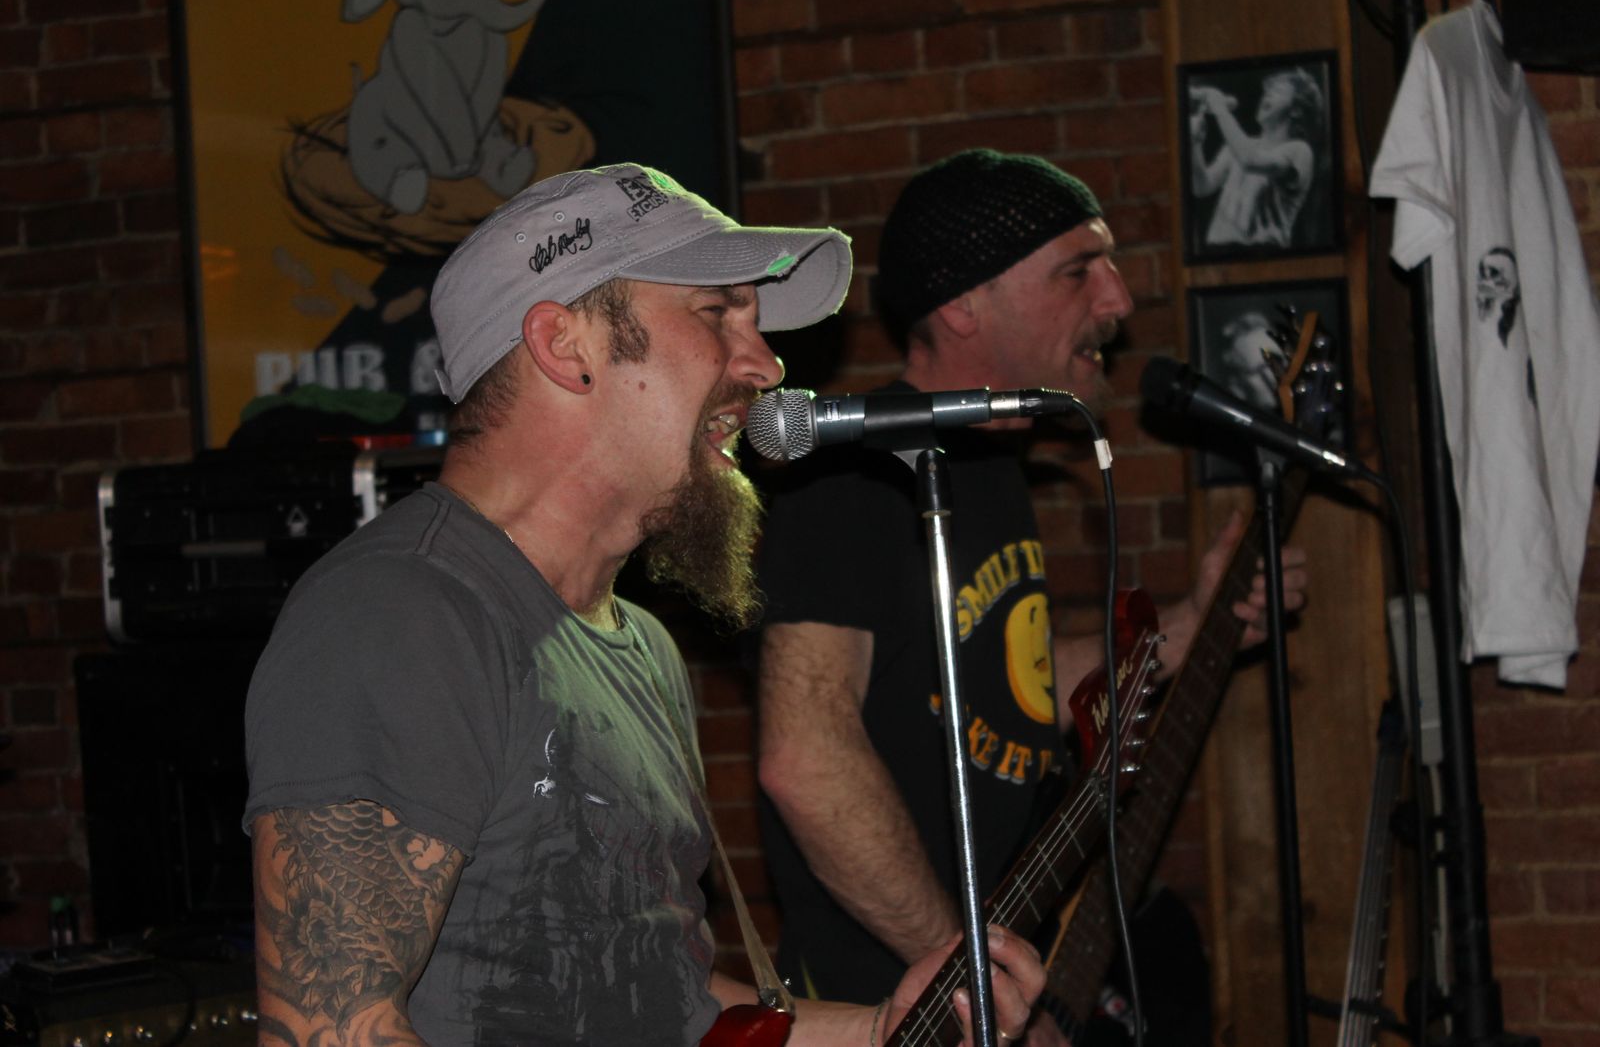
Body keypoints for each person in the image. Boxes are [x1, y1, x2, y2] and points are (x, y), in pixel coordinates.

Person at [243, 162, 1046, 1047]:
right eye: (716, 313)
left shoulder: (643, 648)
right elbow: (328, 1028)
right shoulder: (400, 615)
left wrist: (884, 1029)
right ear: (566, 344)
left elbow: (662, 994)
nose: (767, 365)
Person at [754, 150, 1308, 1044]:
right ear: (963, 304)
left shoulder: (990, 465)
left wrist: (1191, 624)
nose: (1118, 299)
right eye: (1078, 270)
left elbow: (1009, 681)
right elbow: (805, 759)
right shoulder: (851, 477)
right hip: (882, 1008)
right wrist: (977, 981)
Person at [1189, 68, 1324, 249]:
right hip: (1218, 251)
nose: (1266, 95)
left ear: (1296, 111)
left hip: (1261, 254)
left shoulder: (1300, 151)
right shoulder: (1241, 146)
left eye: (1277, 91)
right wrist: (1195, 141)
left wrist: (1220, 109)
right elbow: (1201, 187)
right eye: (1267, 91)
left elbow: (1249, 160)